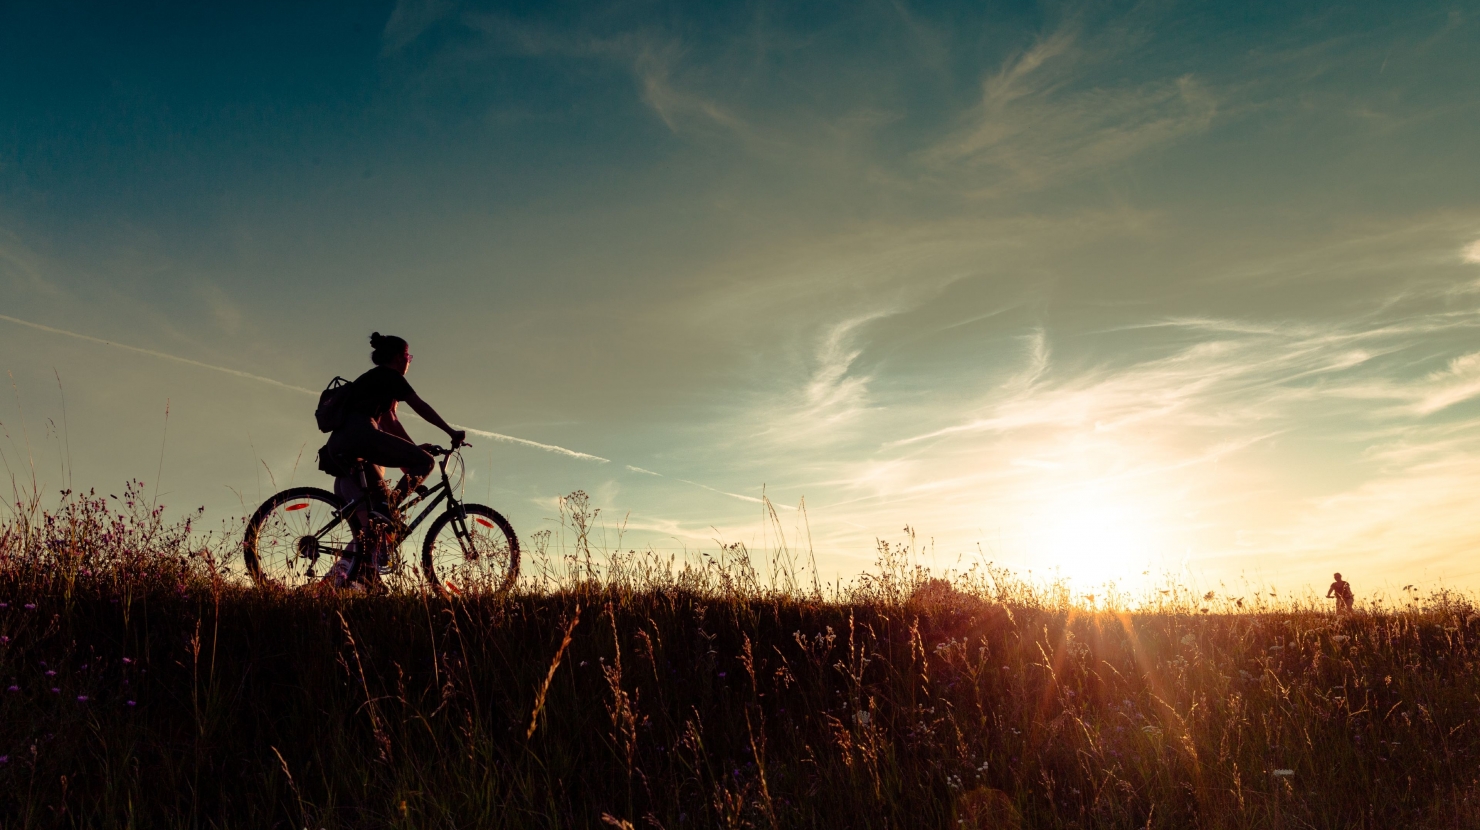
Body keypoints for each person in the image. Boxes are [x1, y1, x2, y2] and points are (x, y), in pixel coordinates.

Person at [323, 332, 466, 584]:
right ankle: (385, 512)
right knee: (425, 466)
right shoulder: (391, 376)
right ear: (401, 358)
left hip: (339, 445)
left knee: (373, 530)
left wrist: (412, 453)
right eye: (408, 356)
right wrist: (450, 431)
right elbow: (419, 405)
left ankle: (355, 580)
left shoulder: (374, 381)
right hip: (361, 436)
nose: (409, 361)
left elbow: (390, 423)